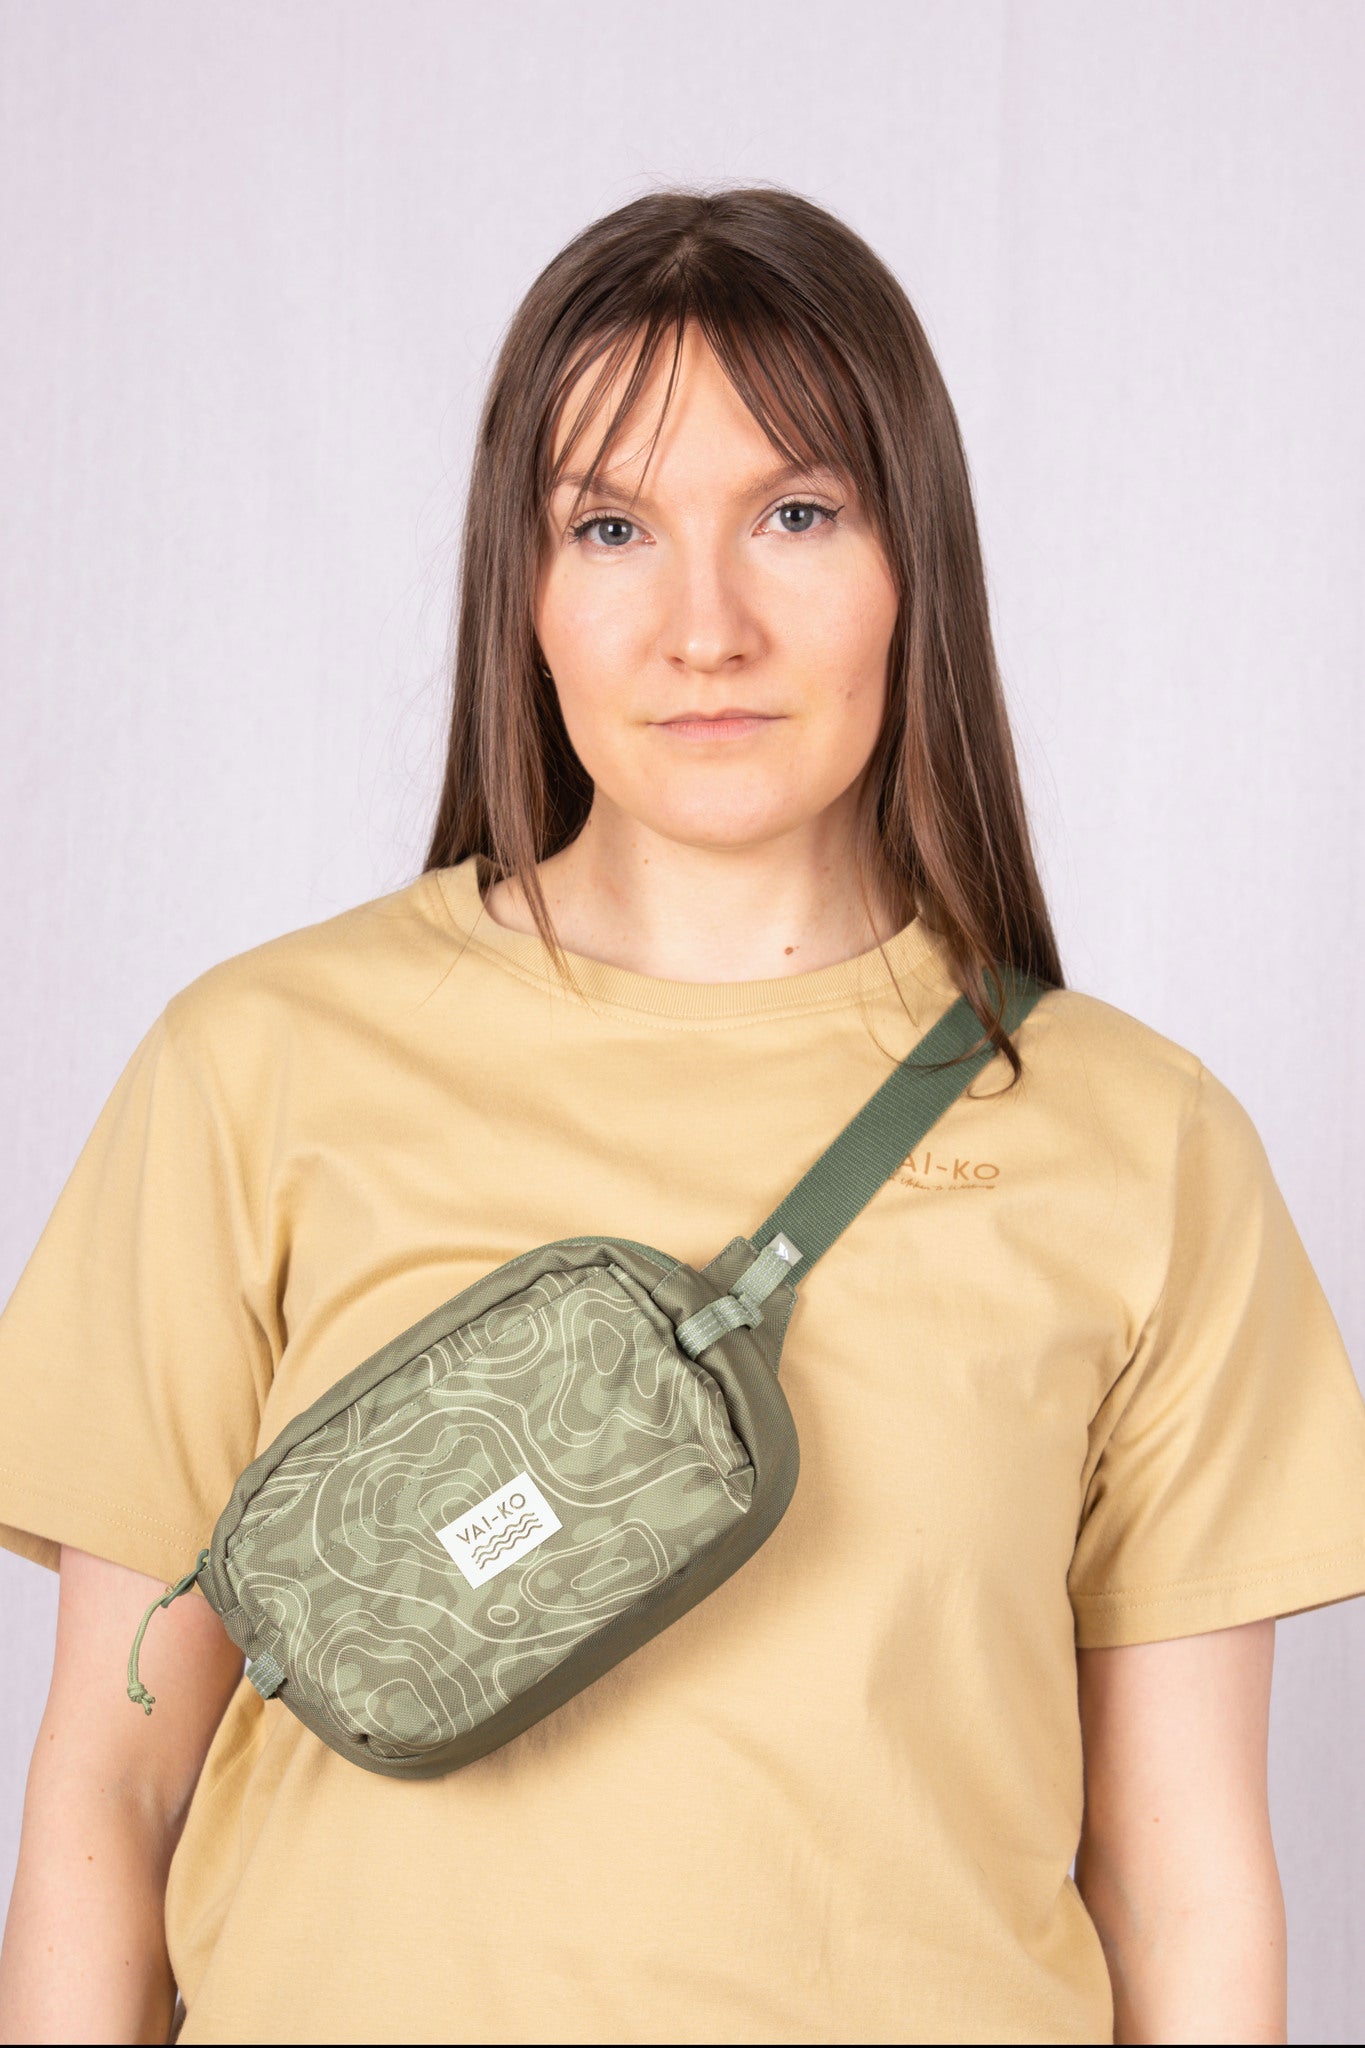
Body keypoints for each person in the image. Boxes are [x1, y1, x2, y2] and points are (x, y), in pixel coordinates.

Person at [2, 186, 1364, 2048]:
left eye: (795, 515)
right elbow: (113, 1780)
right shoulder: (258, 1065)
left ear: (915, 568)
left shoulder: (1142, 1145)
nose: (702, 624)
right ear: (528, 592)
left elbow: (1181, 1875)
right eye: (613, 527)